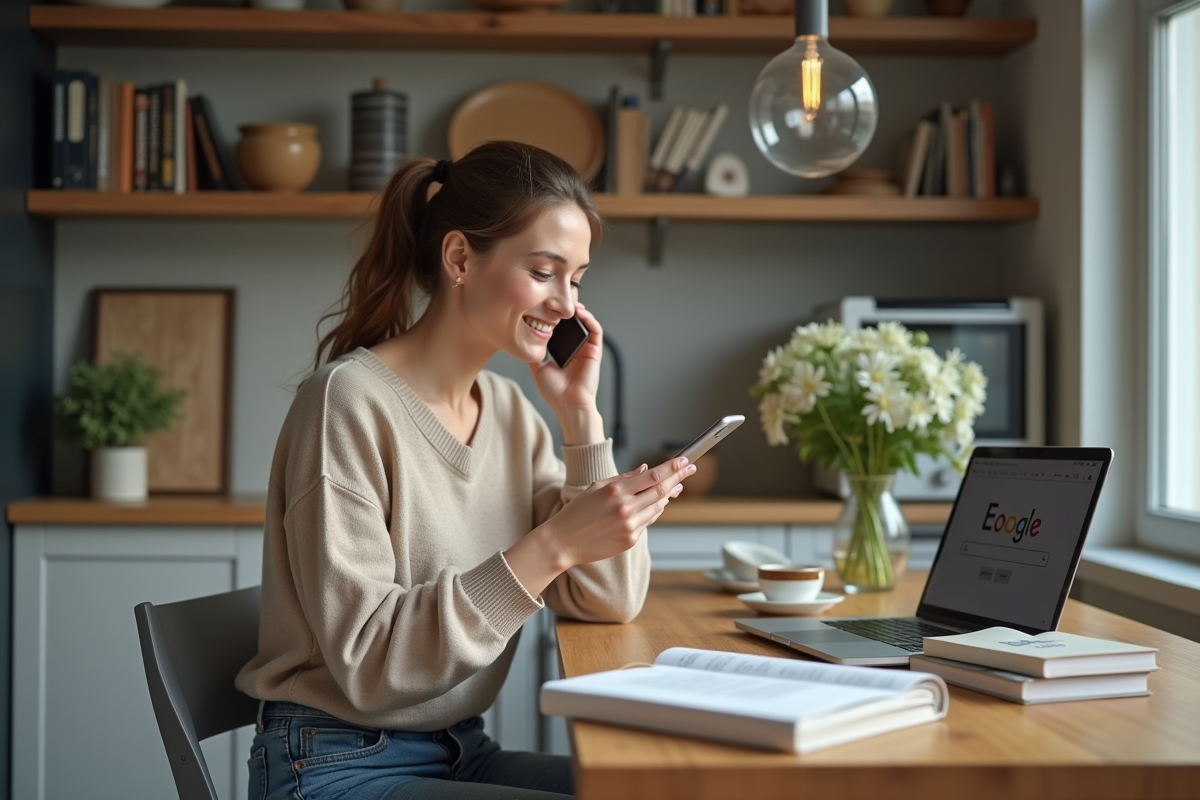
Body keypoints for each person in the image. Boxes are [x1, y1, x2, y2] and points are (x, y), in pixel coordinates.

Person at [235, 141, 696, 800]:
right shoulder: (347, 402)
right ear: (459, 258)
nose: (566, 304)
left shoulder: (511, 412)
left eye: (578, 279)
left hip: (461, 748)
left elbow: (606, 599)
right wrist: (555, 544)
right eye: (544, 271)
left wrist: (581, 423)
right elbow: (371, 664)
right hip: (338, 762)